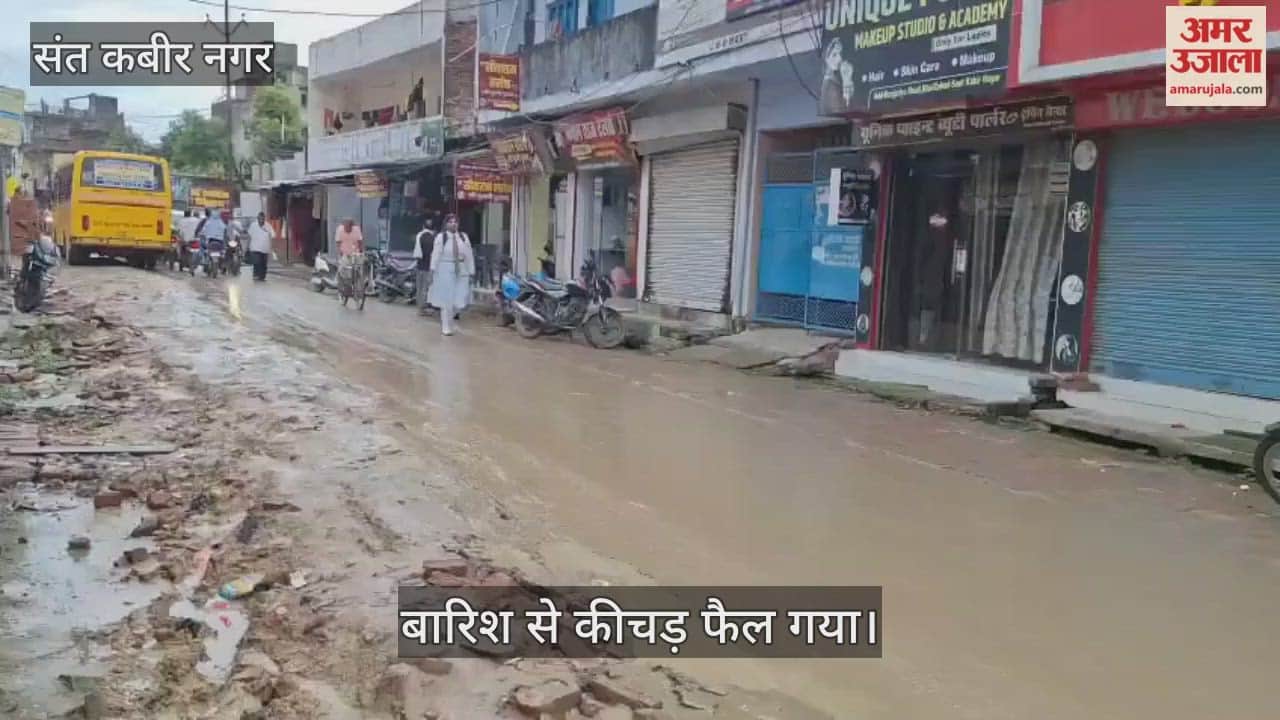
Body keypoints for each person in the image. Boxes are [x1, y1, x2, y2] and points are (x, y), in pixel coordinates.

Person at [427, 214, 474, 336]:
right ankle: (446, 326)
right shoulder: (441, 238)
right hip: (445, 269)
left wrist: (471, 271)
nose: (453, 224)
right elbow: (435, 255)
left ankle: (450, 318)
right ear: (446, 224)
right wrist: (432, 270)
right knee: (446, 299)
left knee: (460, 299)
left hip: (461, 269)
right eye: (451, 222)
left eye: (455, 222)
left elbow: (469, 255)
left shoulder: (463, 237)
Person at [335, 217, 365, 294]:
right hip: (345, 252)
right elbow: (338, 242)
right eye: (345, 227)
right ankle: (346, 285)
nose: (346, 229)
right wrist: (340, 252)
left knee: (358, 268)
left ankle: (358, 285)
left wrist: (362, 252)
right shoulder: (340, 229)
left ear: (351, 226)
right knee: (343, 268)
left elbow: (360, 241)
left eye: (348, 227)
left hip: (355, 252)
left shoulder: (356, 230)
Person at [412, 216, 435, 315]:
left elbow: (417, 252)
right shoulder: (434, 238)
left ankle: (420, 308)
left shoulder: (419, 235)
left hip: (420, 265)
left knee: (420, 287)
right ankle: (423, 308)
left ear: (423, 226)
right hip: (429, 266)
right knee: (426, 288)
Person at [247, 212, 274, 281]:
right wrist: (247, 246)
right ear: (257, 218)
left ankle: (262, 276)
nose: (261, 220)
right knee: (257, 262)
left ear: (264, 218)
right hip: (255, 248)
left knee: (264, 264)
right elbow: (249, 236)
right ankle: (256, 275)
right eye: (260, 218)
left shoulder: (268, 226)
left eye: (262, 218)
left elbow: (271, 237)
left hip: (265, 248)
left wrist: (271, 248)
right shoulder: (253, 225)